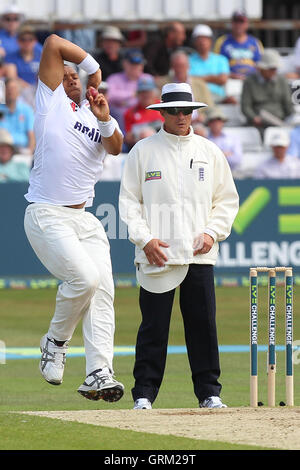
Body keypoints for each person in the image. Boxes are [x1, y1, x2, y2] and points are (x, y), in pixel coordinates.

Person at [119, 83, 239, 410]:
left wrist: (212, 233)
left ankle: (209, 393)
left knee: (203, 327)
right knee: (153, 328)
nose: (183, 116)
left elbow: (226, 201)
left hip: (199, 256)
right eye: (175, 111)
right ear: (162, 113)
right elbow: (129, 203)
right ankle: (143, 394)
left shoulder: (209, 151)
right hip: (156, 255)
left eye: (187, 110)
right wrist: (145, 240)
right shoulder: (143, 151)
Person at [23, 34, 124, 402]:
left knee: (103, 292)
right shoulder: (50, 104)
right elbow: (51, 43)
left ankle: (98, 372)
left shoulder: (96, 113)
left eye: (75, 76)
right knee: (84, 279)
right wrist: (91, 66)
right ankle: (55, 341)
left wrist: (106, 118)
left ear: (84, 86)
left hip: (85, 219)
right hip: (46, 213)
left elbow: (115, 148)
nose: (70, 77)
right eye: (65, 74)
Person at [241, 49, 294, 130]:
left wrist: (290, 118)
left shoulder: (282, 80)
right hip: (258, 124)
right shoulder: (249, 82)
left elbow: (288, 104)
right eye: (271, 69)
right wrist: (254, 117)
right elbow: (245, 106)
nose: (274, 72)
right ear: (262, 68)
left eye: (275, 69)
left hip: (280, 121)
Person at [157, 49, 214, 122]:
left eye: (182, 65)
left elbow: (210, 106)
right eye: (177, 66)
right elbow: (160, 105)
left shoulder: (200, 84)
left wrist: (204, 116)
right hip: (173, 122)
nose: (180, 69)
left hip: (198, 122)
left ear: (188, 66)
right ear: (172, 67)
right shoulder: (163, 84)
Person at [107, 49, 153, 131]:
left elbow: (151, 99)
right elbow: (109, 96)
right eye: (132, 63)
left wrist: (122, 101)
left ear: (142, 65)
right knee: (119, 113)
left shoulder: (147, 78)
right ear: (124, 63)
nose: (135, 66)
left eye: (138, 64)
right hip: (120, 117)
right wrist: (133, 94)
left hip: (142, 116)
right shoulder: (114, 78)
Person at [214, 10, 264, 80]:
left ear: (247, 24)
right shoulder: (222, 41)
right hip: (229, 80)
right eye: (236, 22)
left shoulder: (255, 42)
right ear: (232, 23)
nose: (238, 25)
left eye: (241, 22)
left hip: (252, 81)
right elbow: (216, 65)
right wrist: (230, 75)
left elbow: (262, 65)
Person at [188, 24, 230, 103]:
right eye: (199, 39)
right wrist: (212, 78)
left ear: (210, 41)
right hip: (196, 98)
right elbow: (188, 80)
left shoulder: (221, 60)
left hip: (218, 97)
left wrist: (199, 79)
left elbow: (223, 79)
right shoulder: (188, 60)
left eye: (205, 39)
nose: (202, 42)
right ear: (195, 42)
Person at [124, 76, 164, 149]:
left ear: (154, 92)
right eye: (142, 92)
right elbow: (128, 137)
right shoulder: (130, 112)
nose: (146, 95)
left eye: (148, 92)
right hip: (140, 147)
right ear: (138, 94)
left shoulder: (163, 108)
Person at [0, 77, 35, 154]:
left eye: (13, 88)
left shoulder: (27, 110)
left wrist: (29, 152)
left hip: (22, 151)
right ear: (4, 91)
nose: (11, 92)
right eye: (8, 89)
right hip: (3, 152)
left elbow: (31, 135)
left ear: (18, 92)